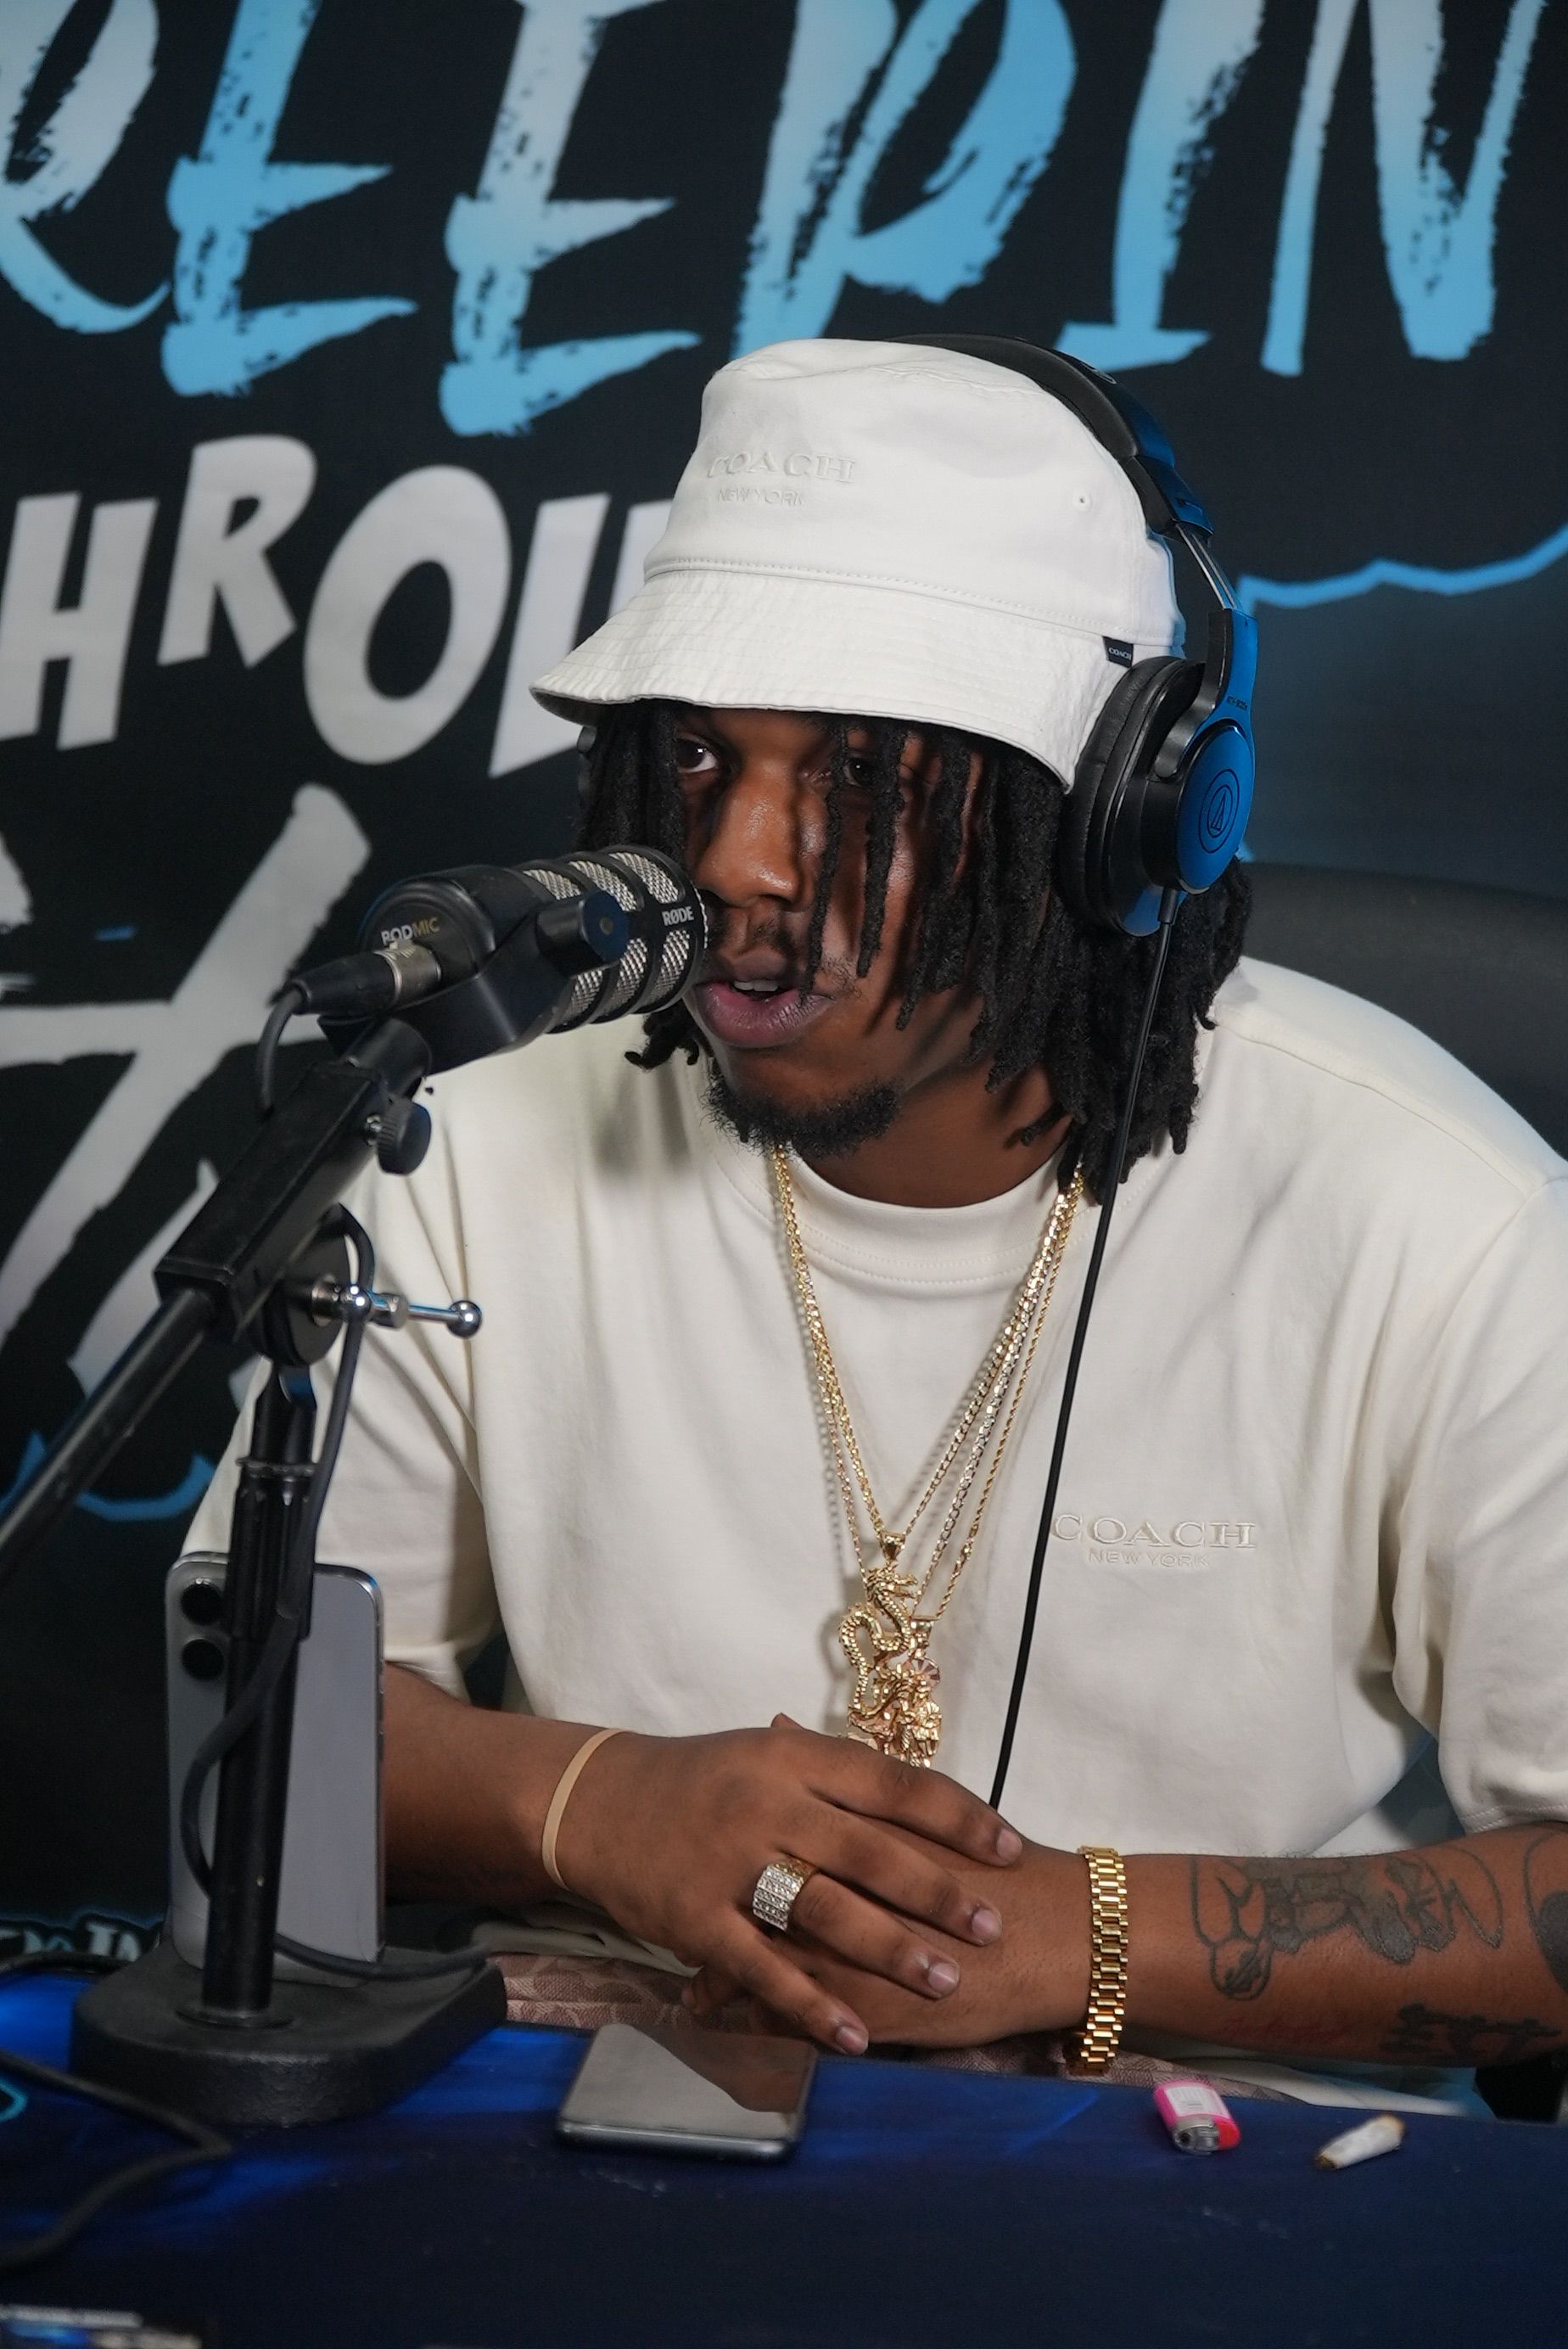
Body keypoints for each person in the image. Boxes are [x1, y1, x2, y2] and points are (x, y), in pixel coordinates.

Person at [190, 338, 1568, 2110]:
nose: (739, 863)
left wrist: (1082, 1936)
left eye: (863, 782)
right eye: (699, 759)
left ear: (1115, 822)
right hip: (621, 2115)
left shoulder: (1443, 1219)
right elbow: (255, 1728)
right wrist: (597, 1801)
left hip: (1204, 2169)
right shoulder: (464, 1142)